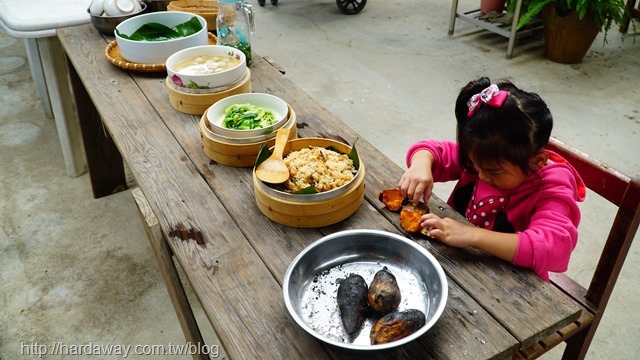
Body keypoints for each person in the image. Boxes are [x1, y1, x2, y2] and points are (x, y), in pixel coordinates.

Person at [399, 77, 586, 281]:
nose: (480, 175)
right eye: (475, 165)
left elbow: (554, 249)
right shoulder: (483, 157)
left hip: (511, 283)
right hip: (460, 261)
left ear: (537, 161)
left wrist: (471, 235)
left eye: (493, 172)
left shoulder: (552, 186)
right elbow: (435, 151)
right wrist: (421, 164)